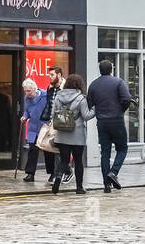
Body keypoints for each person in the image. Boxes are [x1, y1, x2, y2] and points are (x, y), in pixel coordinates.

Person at [87, 58, 132, 193]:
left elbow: (90, 104)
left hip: (102, 122)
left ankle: (106, 185)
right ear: (111, 69)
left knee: (105, 153)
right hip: (117, 120)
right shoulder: (118, 82)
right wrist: (120, 110)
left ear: (100, 70)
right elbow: (127, 99)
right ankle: (113, 172)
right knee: (122, 149)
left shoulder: (93, 85)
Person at [49, 73, 94, 195]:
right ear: (79, 85)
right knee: (78, 161)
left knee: (64, 160)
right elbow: (86, 116)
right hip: (77, 135)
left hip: (61, 133)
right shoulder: (81, 98)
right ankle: (79, 187)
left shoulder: (58, 96)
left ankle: (58, 177)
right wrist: (95, 109)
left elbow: (53, 114)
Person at [42, 65, 70, 183]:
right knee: (47, 147)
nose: (50, 77)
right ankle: (54, 172)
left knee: (58, 147)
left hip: (62, 119)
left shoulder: (66, 87)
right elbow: (49, 103)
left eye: (52, 74)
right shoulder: (50, 87)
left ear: (59, 75)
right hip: (51, 120)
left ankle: (63, 172)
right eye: (49, 74)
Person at [19, 78, 49, 182]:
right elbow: (27, 110)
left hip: (44, 127)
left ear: (34, 89)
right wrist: (25, 116)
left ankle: (52, 173)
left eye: (29, 91)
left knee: (47, 150)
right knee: (32, 150)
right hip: (33, 128)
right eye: (25, 91)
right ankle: (30, 174)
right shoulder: (27, 98)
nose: (27, 93)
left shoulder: (45, 96)